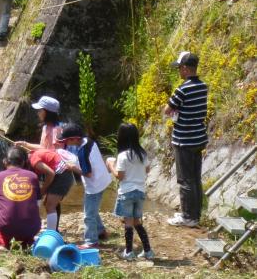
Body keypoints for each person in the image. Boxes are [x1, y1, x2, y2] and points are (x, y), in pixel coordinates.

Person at [164, 51, 208, 228]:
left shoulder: (182, 89)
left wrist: (169, 109)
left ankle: (187, 217)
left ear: (185, 68)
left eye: (179, 68)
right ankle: (195, 215)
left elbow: (168, 110)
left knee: (185, 180)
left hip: (184, 140)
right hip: (198, 138)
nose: (178, 72)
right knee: (195, 178)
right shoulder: (203, 86)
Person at [57, 124, 112, 249]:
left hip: (94, 186)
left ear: (75, 139)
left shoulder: (82, 152)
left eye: (67, 140)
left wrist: (72, 168)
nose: (66, 143)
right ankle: (100, 231)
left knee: (88, 215)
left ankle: (91, 241)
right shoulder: (89, 141)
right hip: (103, 179)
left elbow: (87, 173)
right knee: (92, 208)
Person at [106, 123, 153, 261]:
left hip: (126, 192)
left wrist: (110, 165)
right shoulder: (142, 153)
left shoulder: (122, 155)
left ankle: (129, 252)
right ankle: (148, 251)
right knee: (137, 222)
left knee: (128, 223)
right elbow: (147, 170)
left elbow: (119, 176)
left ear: (122, 138)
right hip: (140, 192)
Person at [0, 146, 42, 250]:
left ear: (5, 161)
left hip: (7, 229)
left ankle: (3, 240)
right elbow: (38, 204)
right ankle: (27, 240)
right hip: (32, 229)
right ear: (24, 162)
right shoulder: (33, 176)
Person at [19, 146, 75, 232]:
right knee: (51, 203)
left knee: (50, 205)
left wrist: (43, 190)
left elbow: (50, 173)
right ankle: (54, 230)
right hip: (60, 173)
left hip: (63, 175)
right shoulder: (34, 154)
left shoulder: (33, 159)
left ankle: (51, 234)